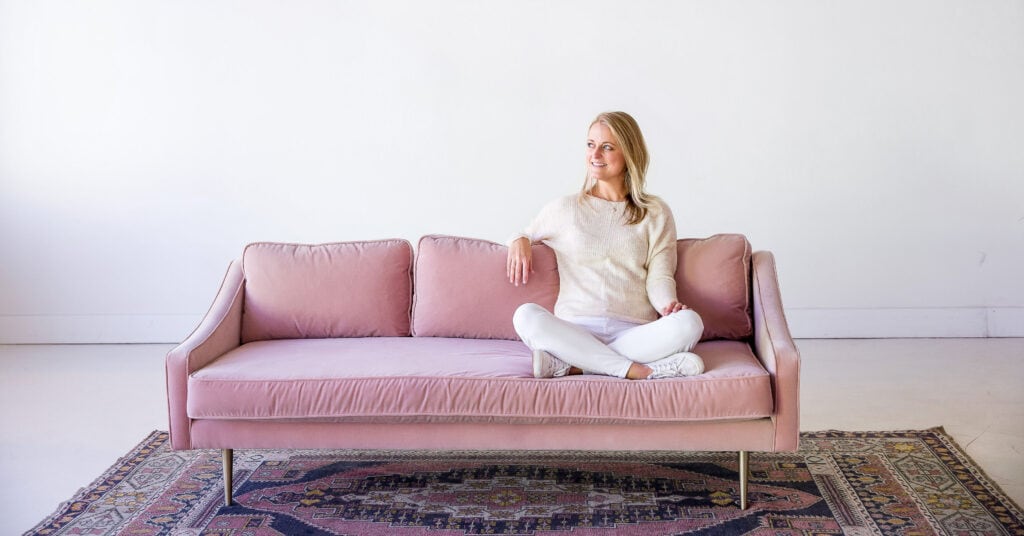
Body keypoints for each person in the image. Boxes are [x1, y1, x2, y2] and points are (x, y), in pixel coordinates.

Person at [506, 111, 705, 380]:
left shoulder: (656, 212)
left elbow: (660, 273)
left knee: (690, 323)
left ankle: (575, 365)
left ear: (629, 154)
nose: (595, 154)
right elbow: (525, 232)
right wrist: (519, 240)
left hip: (633, 330)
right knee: (525, 315)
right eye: (590, 144)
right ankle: (639, 370)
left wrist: (668, 305)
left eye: (607, 147)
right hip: (574, 329)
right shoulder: (566, 209)